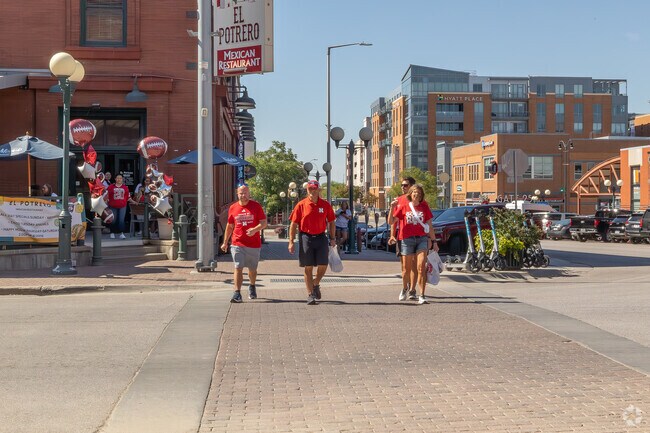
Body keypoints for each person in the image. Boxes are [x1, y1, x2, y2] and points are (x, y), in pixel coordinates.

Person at [288, 180, 336, 305]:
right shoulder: (301, 205)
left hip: (321, 237)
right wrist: (291, 241)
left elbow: (331, 221)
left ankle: (315, 283)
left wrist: (332, 237)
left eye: (315, 189)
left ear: (318, 190)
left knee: (323, 265)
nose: (312, 191)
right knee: (308, 267)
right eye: (310, 189)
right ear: (307, 190)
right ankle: (310, 294)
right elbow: (293, 224)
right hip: (306, 237)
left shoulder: (325, 205)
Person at [388, 184, 438, 305]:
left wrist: (434, 241)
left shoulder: (424, 206)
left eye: (419, 194)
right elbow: (391, 221)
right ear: (410, 193)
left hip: (421, 239)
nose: (417, 195)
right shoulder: (404, 205)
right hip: (406, 239)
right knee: (406, 269)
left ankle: (422, 294)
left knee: (421, 266)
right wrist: (392, 208)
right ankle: (405, 288)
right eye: (415, 192)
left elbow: (429, 225)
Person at [220, 185, 267, 303]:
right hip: (237, 243)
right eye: (241, 193)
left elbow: (264, 223)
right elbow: (230, 226)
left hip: (253, 244)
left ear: (249, 193)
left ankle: (252, 285)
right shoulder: (233, 208)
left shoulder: (256, 206)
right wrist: (225, 242)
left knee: (252, 269)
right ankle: (237, 293)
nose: (243, 195)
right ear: (237, 194)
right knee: (238, 267)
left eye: (245, 192)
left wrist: (255, 230)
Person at [387, 176, 416, 299]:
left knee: (415, 264)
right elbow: (394, 220)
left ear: (412, 187)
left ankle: (412, 290)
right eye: (402, 185)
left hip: (417, 236)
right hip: (402, 235)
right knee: (405, 265)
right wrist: (392, 235)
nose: (403, 187)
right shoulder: (398, 200)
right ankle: (406, 285)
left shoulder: (418, 200)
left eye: (405, 185)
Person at [106, 174, 131, 239]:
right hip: (112, 206)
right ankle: (112, 232)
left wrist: (135, 202)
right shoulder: (111, 187)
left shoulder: (125, 187)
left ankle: (122, 233)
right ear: (115, 179)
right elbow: (106, 195)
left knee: (121, 220)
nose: (119, 179)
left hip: (123, 206)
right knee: (113, 220)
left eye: (120, 178)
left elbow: (128, 197)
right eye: (118, 178)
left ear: (122, 179)